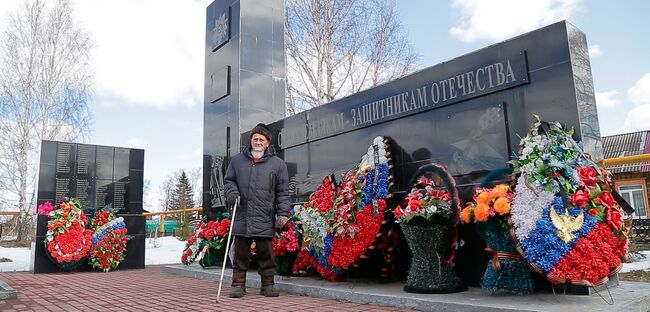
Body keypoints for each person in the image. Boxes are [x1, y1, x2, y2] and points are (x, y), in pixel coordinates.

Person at [223, 123, 291, 298]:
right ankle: (238, 285)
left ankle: (268, 285)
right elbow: (229, 181)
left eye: (262, 139)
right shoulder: (237, 161)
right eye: (255, 139)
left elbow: (282, 191)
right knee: (240, 254)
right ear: (251, 140)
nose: (258, 142)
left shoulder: (278, 164)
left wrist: (283, 213)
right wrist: (232, 194)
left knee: (266, 254)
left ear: (268, 143)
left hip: (264, 216)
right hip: (242, 215)